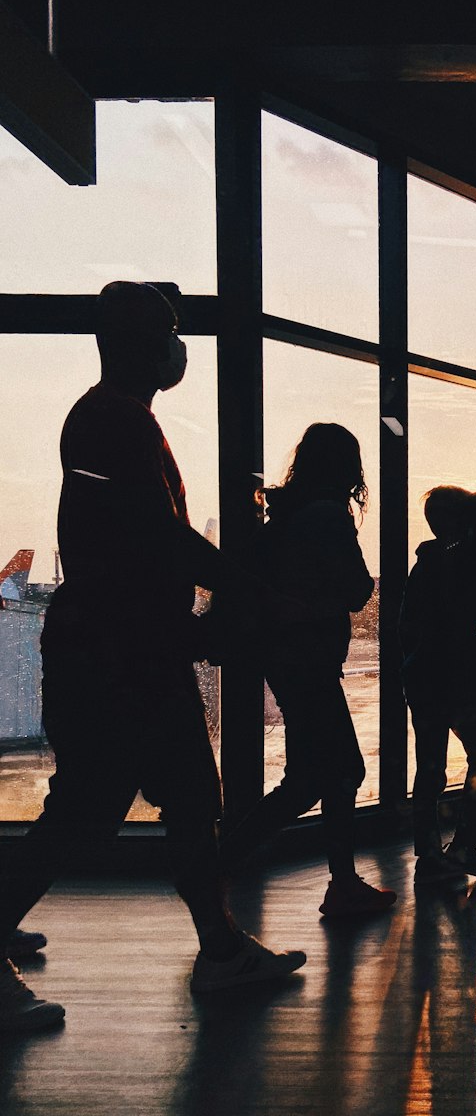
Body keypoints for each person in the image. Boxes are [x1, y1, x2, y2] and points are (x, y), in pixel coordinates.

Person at [0, 281, 305, 1035]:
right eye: (170, 331)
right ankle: (219, 950)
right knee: (95, 811)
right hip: (119, 657)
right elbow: (155, 535)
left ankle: (221, 947)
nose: (178, 347)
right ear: (140, 341)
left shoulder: (115, 419)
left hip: (125, 651)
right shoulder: (114, 421)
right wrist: (239, 583)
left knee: (175, 803)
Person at [218, 423, 396, 920]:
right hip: (310, 660)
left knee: (318, 775)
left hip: (288, 658)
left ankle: (337, 882)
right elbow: (359, 588)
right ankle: (221, 862)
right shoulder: (327, 516)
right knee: (329, 775)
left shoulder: (287, 515)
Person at [400, 485, 476, 885]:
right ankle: (463, 844)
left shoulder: (426, 564)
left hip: (423, 677)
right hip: (456, 678)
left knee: (430, 769)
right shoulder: (460, 562)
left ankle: (430, 854)